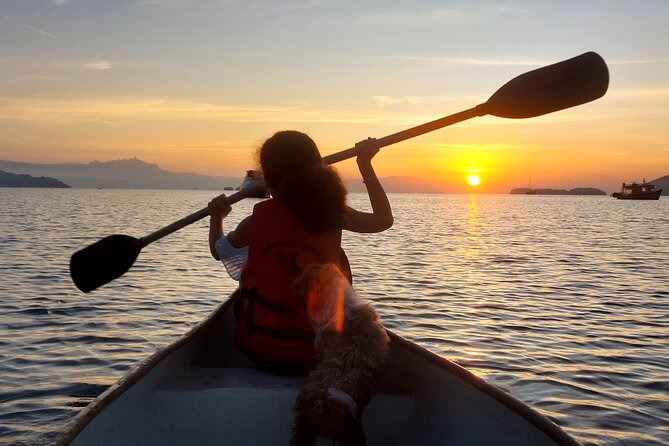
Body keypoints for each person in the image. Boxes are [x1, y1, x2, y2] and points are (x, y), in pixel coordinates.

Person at [208, 130, 393, 372]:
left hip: (257, 350)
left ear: (269, 179)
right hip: (315, 355)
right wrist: (365, 165)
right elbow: (383, 220)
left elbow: (217, 250)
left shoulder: (255, 221)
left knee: (245, 288)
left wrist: (216, 218)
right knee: (339, 262)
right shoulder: (334, 213)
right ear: (319, 170)